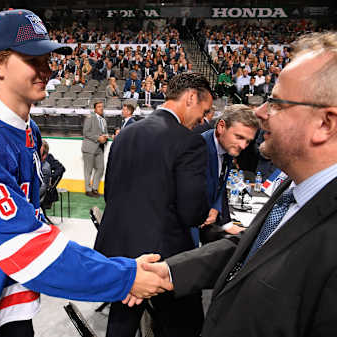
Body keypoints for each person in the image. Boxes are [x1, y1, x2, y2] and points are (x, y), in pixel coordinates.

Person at [0, 10, 172, 337]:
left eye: (47, 59)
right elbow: (26, 248)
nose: (46, 69)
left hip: (9, 289)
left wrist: (113, 274)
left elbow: (33, 225)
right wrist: (124, 277)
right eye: (32, 59)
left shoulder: (29, 130)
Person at [133, 32, 337, 337]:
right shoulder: (294, 190)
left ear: (325, 124)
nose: (259, 112)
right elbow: (251, 250)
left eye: (276, 103)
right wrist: (168, 272)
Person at [94, 72, 213, 337]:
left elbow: (110, 192)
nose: (202, 120)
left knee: (122, 322)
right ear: (191, 97)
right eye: (204, 111)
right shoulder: (189, 141)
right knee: (187, 324)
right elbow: (192, 212)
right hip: (162, 257)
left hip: (119, 250)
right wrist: (207, 212)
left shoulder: (127, 132)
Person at [199, 104, 260, 244]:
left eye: (248, 141)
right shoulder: (198, 148)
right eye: (239, 137)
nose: (243, 146)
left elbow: (219, 187)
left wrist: (218, 211)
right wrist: (199, 213)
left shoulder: (226, 149)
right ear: (221, 127)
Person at [82, 101, 108, 198]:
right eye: (99, 107)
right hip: (89, 148)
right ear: (95, 109)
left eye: (102, 107)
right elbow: (86, 132)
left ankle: (94, 188)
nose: (101, 108)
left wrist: (106, 137)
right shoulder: (90, 118)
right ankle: (88, 190)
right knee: (88, 170)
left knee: (100, 168)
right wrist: (98, 138)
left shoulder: (104, 120)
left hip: (100, 148)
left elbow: (105, 132)